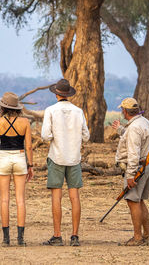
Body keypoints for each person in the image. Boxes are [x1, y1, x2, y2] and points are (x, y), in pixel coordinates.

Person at [41, 79, 90, 247]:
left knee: (57, 196)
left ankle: (57, 235)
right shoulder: (78, 111)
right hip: (74, 158)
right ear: (68, 94)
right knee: (74, 197)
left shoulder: (50, 111)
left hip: (57, 156)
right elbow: (86, 136)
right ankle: (75, 236)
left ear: (56, 94)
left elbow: (46, 136)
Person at [0, 92, 34, 246]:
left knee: (4, 199)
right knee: (20, 200)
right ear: (17, 107)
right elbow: (28, 146)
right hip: (20, 157)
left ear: (4, 107)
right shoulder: (25, 122)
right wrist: (31, 165)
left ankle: (6, 239)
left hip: (4, 158)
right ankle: (20, 239)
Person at [111, 97, 149, 246]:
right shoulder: (144, 122)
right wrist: (120, 130)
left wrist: (130, 176)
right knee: (140, 200)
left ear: (125, 111)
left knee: (133, 201)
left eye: (122, 110)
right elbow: (133, 138)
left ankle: (137, 237)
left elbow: (134, 153)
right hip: (147, 164)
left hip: (137, 167)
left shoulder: (135, 127)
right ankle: (147, 235)